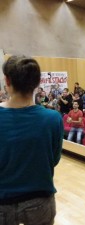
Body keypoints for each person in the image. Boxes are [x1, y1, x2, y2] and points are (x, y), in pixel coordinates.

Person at [0, 55, 63, 225]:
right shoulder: (53, 118)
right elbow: (54, 159)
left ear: (7, 80)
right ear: (37, 83)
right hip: (40, 202)